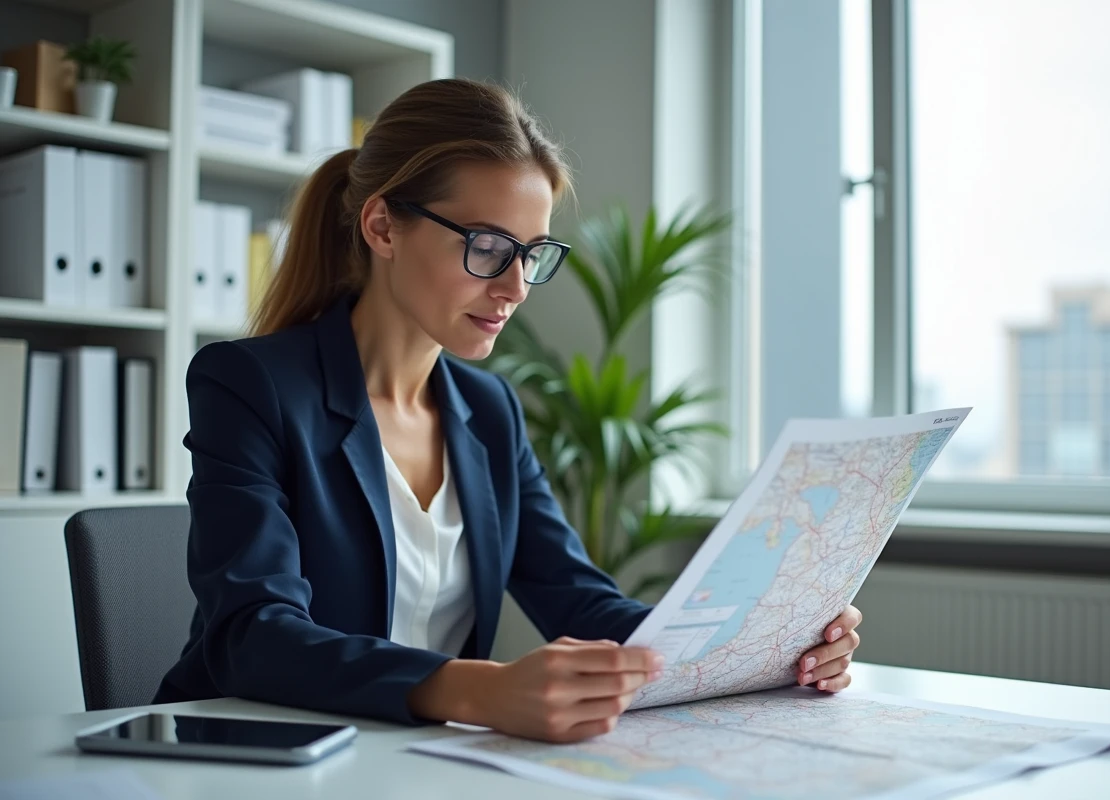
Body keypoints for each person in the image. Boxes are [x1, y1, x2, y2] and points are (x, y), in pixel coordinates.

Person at [155, 78, 863, 744]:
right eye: (488, 247)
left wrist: (764, 648)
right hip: (252, 756)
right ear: (383, 227)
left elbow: (580, 601)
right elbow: (254, 635)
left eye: (532, 254)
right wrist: (478, 692)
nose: (516, 288)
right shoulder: (251, 385)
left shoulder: (488, 411)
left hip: (407, 763)